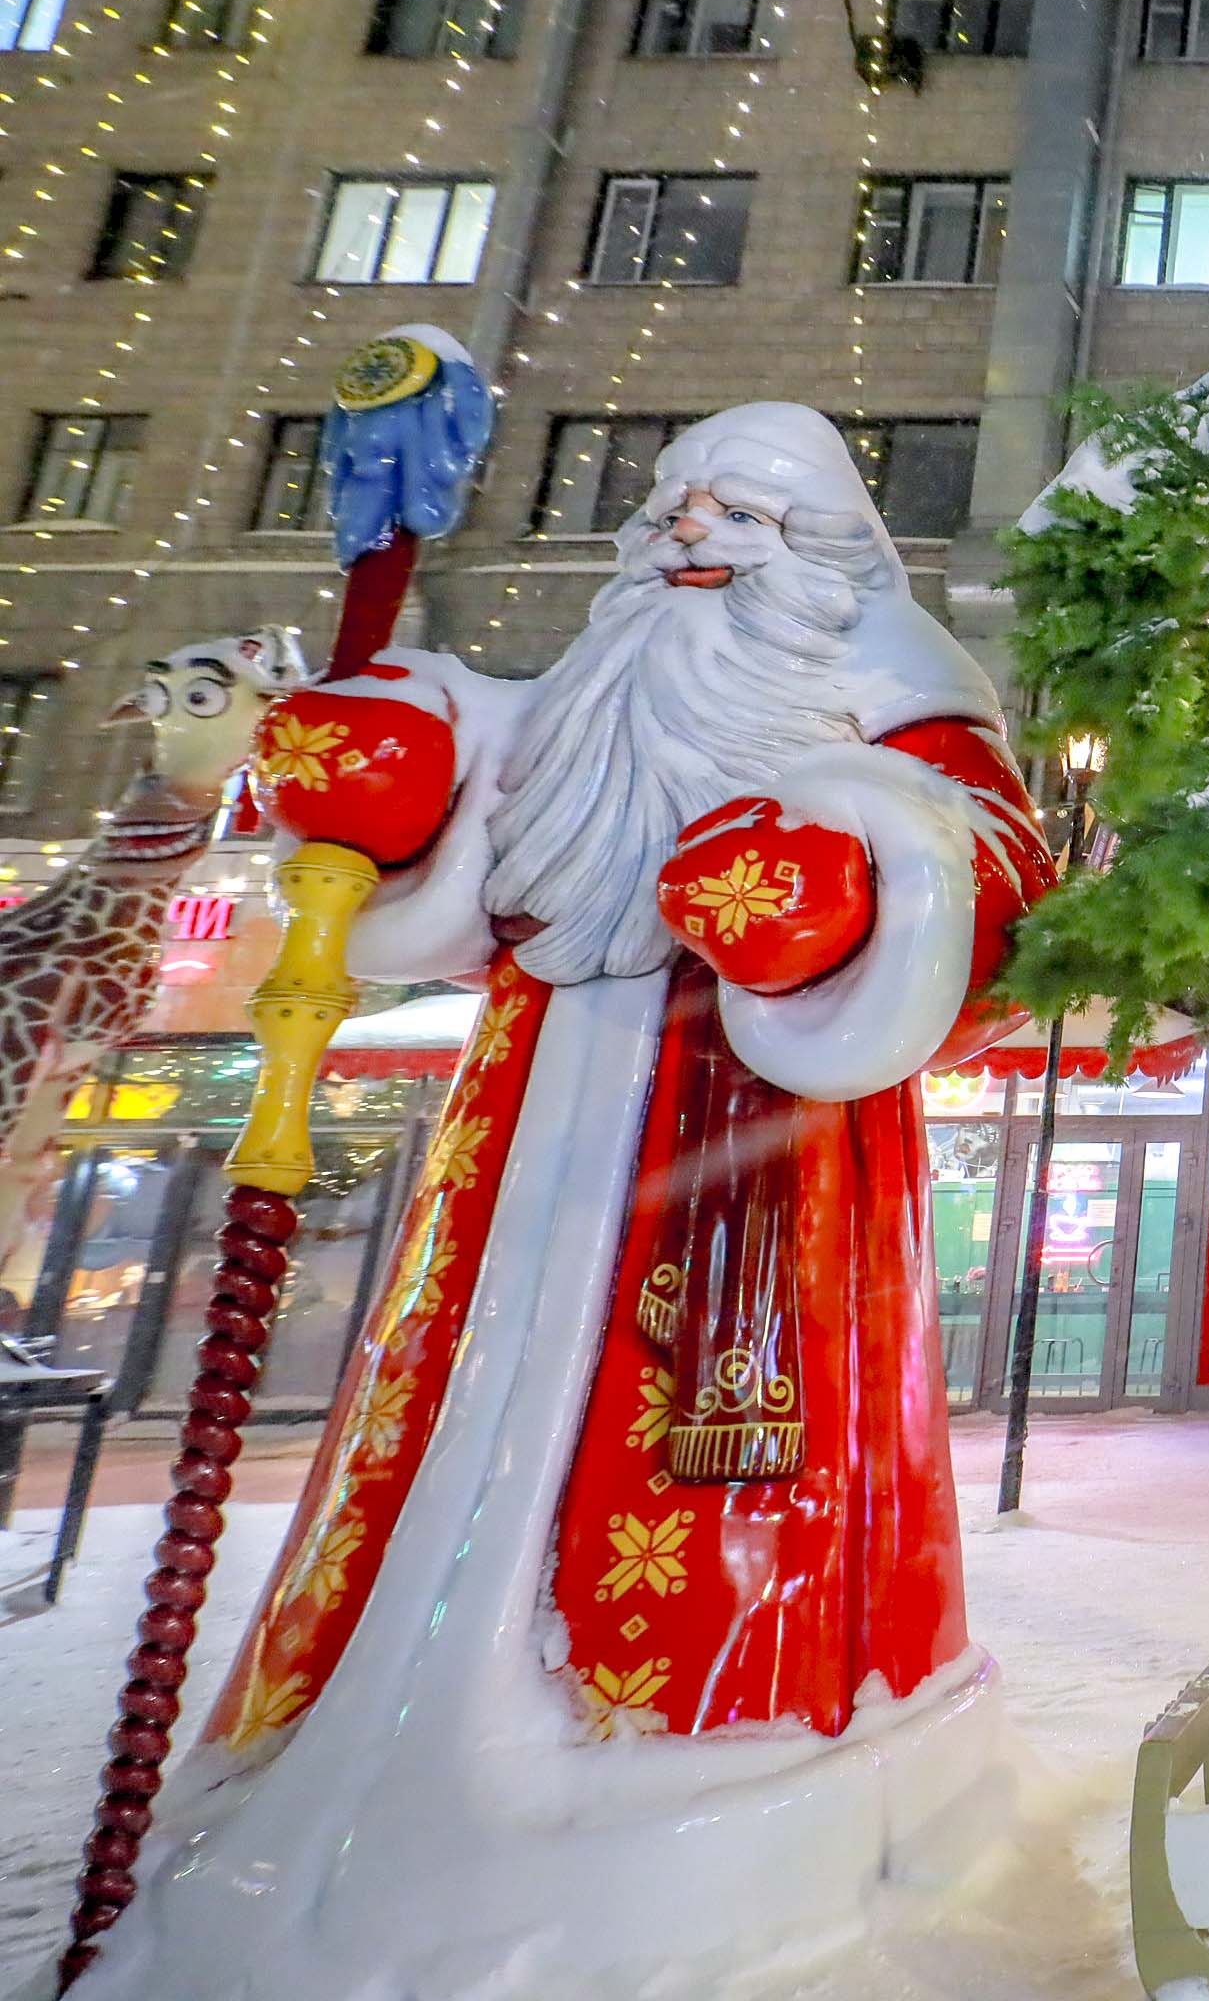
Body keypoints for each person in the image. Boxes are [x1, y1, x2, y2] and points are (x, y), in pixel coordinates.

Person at [84, 406, 1055, 1998]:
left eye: (739, 513)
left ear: (823, 548)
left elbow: (995, 885)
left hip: (763, 1147)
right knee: (457, 1400)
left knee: (715, 1433)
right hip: (526, 1122)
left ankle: (718, 1730)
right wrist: (380, 766)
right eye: (673, 506)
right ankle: (371, 1732)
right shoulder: (586, 693)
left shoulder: (902, 698)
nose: (691, 536)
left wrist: (851, 875)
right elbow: (437, 795)